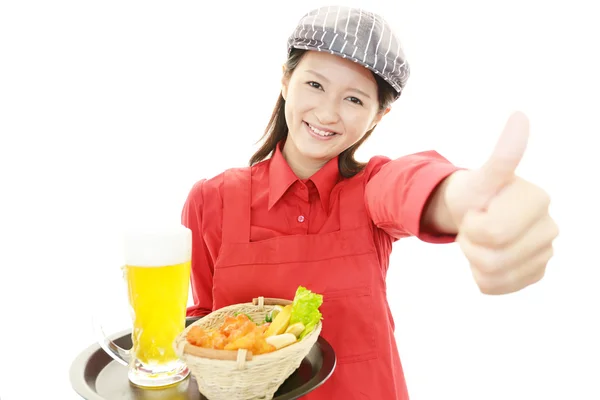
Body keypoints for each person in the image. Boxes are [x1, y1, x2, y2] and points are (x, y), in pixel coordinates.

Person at [181, 5, 558, 399]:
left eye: (355, 100)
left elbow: (409, 185)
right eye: (314, 85)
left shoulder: (370, 189)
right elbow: (205, 329)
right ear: (286, 79)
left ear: (379, 116)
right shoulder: (212, 200)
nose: (327, 112)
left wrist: (464, 198)